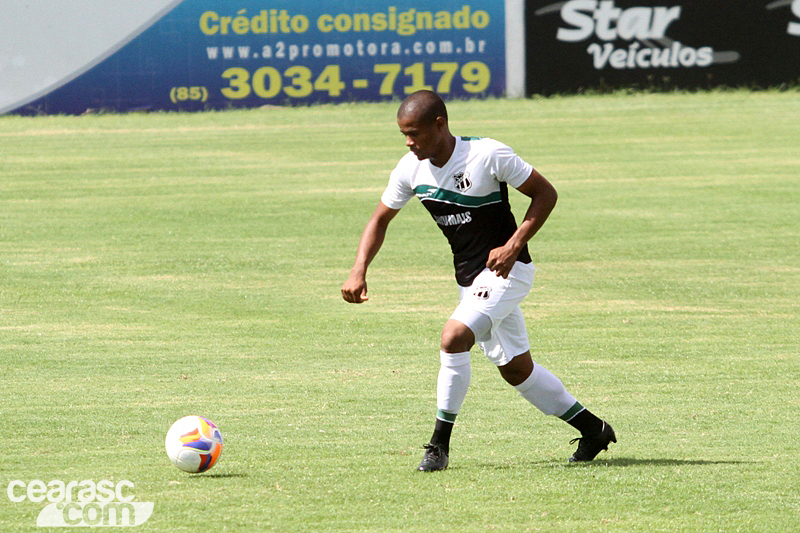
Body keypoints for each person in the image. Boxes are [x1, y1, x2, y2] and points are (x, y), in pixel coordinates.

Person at [341, 90, 615, 471]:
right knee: (517, 370)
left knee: (453, 337)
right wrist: (359, 269)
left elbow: (545, 194)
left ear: (440, 125)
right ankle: (593, 429)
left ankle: (438, 446)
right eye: (403, 134)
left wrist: (513, 244)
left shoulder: (487, 154)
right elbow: (379, 220)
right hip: (470, 280)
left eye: (414, 133)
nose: (408, 142)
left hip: (509, 271)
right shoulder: (409, 168)